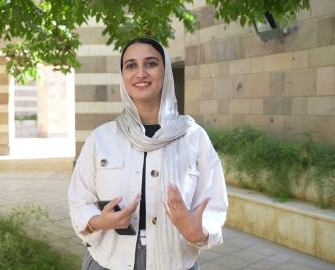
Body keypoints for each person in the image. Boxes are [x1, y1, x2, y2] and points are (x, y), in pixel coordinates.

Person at [68, 37, 228, 270]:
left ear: (166, 72)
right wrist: (98, 222)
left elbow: (214, 206)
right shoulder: (100, 139)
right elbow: (79, 201)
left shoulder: (194, 138)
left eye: (151, 64)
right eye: (130, 65)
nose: (140, 73)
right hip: (107, 261)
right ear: (122, 75)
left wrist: (198, 232)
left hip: (175, 262)